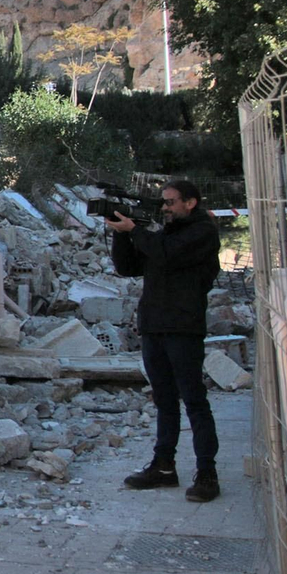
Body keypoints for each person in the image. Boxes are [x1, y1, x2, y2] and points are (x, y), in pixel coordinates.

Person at [106, 179, 222, 502]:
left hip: (183, 329)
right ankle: (164, 466)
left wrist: (135, 231)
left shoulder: (202, 233)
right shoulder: (164, 235)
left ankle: (207, 473)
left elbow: (166, 254)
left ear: (191, 203)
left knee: (194, 401)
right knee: (164, 401)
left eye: (171, 202)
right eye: (164, 203)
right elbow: (128, 267)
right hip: (155, 327)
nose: (165, 208)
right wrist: (120, 232)